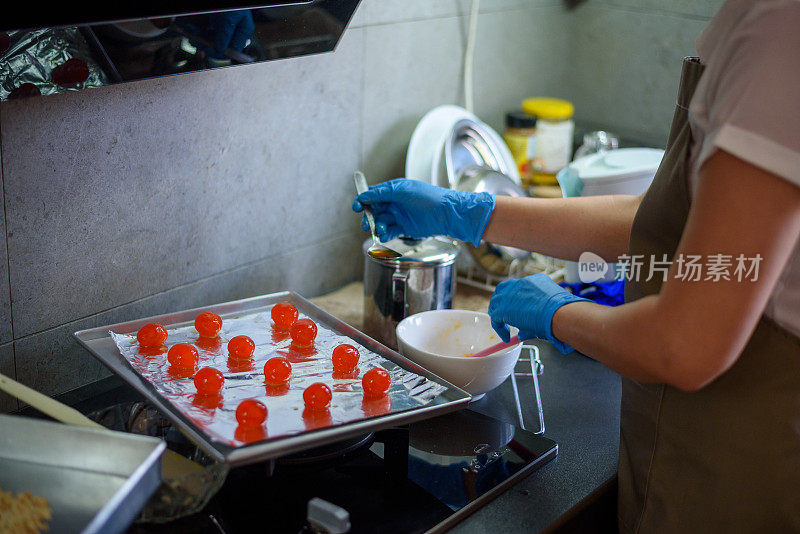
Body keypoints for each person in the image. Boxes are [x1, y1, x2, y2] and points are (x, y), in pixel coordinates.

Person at [352, 0, 800, 530]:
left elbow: (683, 345)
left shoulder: (780, 32)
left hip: (741, 451)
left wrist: (559, 313)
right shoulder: (760, 22)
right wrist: (472, 213)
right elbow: (672, 220)